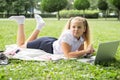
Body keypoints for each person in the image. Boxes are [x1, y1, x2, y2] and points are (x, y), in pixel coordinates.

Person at [8, 14, 94, 58]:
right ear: (70, 27)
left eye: (79, 27)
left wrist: (88, 52)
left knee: (28, 44)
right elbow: (67, 54)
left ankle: (39, 26)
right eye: (73, 27)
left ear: (84, 29)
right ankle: (21, 22)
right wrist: (85, 51)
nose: (76, 29)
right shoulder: (67, 35)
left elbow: (79, 51)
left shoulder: (82, 37)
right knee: (21, 46)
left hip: (54, 42)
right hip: (46, 45)